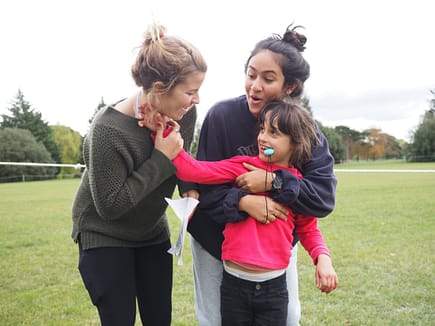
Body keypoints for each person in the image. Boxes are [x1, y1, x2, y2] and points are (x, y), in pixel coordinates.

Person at [187, 24, 337, 326]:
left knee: (289, 317)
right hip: (215, 238)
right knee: (214, 320)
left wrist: (274, 182)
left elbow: (321, 199)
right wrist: (243, 202)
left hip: (272, 247)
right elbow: (204, 185)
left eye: (268, 79)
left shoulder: (305, 131)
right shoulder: (221, 116)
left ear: (290, 87)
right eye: (251, 74)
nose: (254, 86)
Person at [71, 22, 207, 326]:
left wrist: (188, 186)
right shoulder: (107, 130)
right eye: (191, 92)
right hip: (104, 234)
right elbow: (110, 206)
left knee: (160, 318)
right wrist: (160, 157)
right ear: (159, 89)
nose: (196, 100)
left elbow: (180, 155)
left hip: (151, 232)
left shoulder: (185, 113)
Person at [157, 100, 338, 325]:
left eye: (274, 133)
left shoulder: (295, 185)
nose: (263, 138)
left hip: (274, 289)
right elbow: (196, 170)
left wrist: (323, 260)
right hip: (234, 286)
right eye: (262, 129)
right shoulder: (242, 166)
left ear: (294, 144)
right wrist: (167, 137)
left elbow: (310, 230)